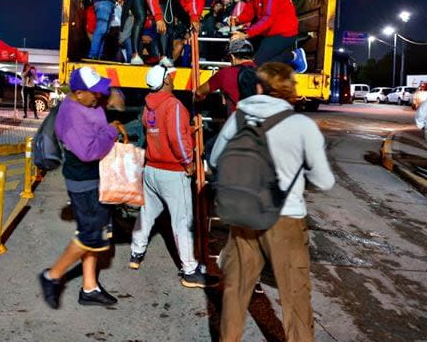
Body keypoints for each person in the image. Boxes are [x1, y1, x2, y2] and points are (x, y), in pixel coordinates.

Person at [209, 62, 334, 341]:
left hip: (244, 215)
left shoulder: (239, 117)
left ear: (258, 87)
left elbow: (215, 159)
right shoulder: (301, 125)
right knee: (295, 295)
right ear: (290, 90)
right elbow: (325, 181)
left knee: (236, 289)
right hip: (286, 217)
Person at [39, 66, 123, 308]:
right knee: (90, 235)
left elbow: (107, 100)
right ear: (78, 92)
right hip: (83, 182)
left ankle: (89, 287)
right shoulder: (72, 117)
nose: (98, 96)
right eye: (93, 92)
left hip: (96, 179)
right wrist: (111, 130)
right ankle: (52, 276)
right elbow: (88, 152)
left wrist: (113, 97)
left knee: (96, 233)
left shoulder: (88, 103)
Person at [128, 65, 219, 288]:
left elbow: (158, 131)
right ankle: (189, 270)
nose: (173, 80)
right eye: (170, 77)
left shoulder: (148, 106)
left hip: (152, 169)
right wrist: (188, 161)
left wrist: (186, 130)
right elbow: (176, 138)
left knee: (147, 213)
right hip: (172, 172)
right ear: (166, 81)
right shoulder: (174, 105)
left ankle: (136, 253)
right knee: (182, 221)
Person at [230, 0, 307, 72]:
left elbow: (268, 18)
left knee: (258, 65)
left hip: (284, 33)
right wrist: (236, 20)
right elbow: (250, 11)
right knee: (254, 60)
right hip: (269, 32)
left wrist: (246, 34)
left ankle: (294, 56)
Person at [195, 39, 257, 115]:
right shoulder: (264, 72)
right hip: (264, 123)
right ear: (252, 57)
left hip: (236, 122)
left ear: (232, 57)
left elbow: (199, 92)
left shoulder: (225, 73)